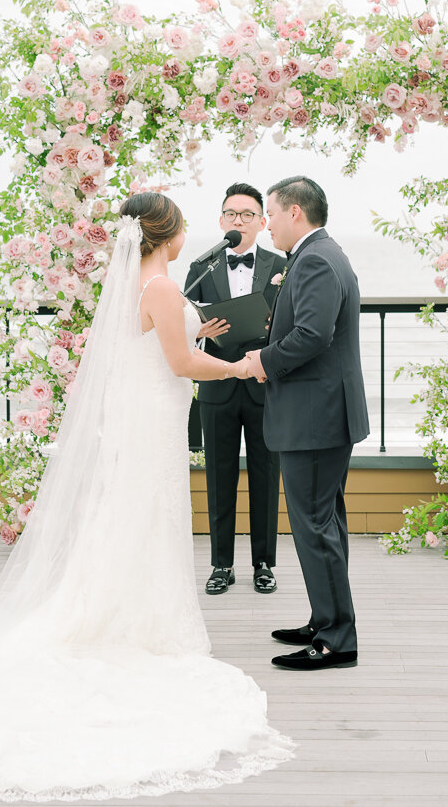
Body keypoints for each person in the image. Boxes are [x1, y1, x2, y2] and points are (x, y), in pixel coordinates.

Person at [0, 192, 290, 801]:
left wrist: (203, 331)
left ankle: (119, 605)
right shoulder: (162, 286)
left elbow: (162, 344)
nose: (189, 231)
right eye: (184, 223)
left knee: (133, 516)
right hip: (152, 419)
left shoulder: (149, 283)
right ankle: (132, 621)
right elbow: (181, 363)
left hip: (143, 416)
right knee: (144, 515)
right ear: (167, 232)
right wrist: (244, 367)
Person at [246, 176, 370, 672]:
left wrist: (262, 361)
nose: (265, 223)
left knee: (315, 527)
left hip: (315, 418)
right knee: (324, 524)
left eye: (270, 214)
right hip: (320, 416)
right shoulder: (320, 252)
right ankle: (327, 620)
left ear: (294, 212)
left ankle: (337, 640)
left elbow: (313, 335)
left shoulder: (315, 258)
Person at [185, 183, 286, 597]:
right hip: (217, 384)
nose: (239, 220)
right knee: (218, 477)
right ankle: (220, 564)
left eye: (248, 214)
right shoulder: (201, 267)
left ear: (263, 222)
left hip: (264, 384)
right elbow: (183, 322)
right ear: (220, 220)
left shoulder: (282, 264)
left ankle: (264, 563)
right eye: (231, 214)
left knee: (266, 475)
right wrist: (199, 330)